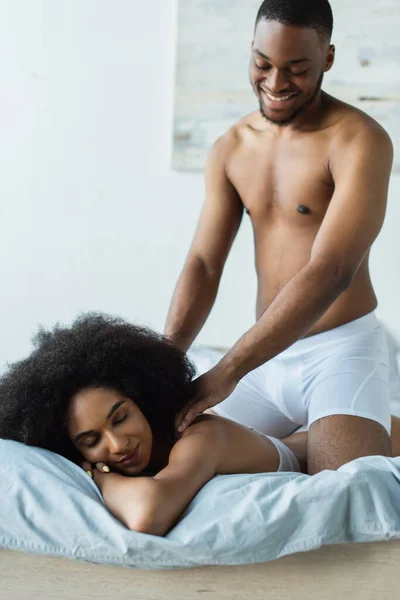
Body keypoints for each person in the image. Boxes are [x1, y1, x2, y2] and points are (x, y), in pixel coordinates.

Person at [164, 0, 395, 474]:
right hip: (263, 358)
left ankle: (373, 429)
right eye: (262, 64)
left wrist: (226, 371)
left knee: (342, 487)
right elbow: (204, 264)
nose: (274, 83)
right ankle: (344, 431)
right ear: (251, 51)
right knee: (167, 450)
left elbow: (331, 271)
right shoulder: (230, 147)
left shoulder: (359, 140)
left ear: (328, 59)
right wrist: (165, 362)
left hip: (340, 348)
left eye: (296, 69)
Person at [0, 313, 305, 537]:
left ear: (140, 398)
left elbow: (147, 515)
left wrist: (98, 477)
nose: (118, 445)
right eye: (91, 441)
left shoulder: (202, 436)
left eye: (120, 418)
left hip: (307, 446)